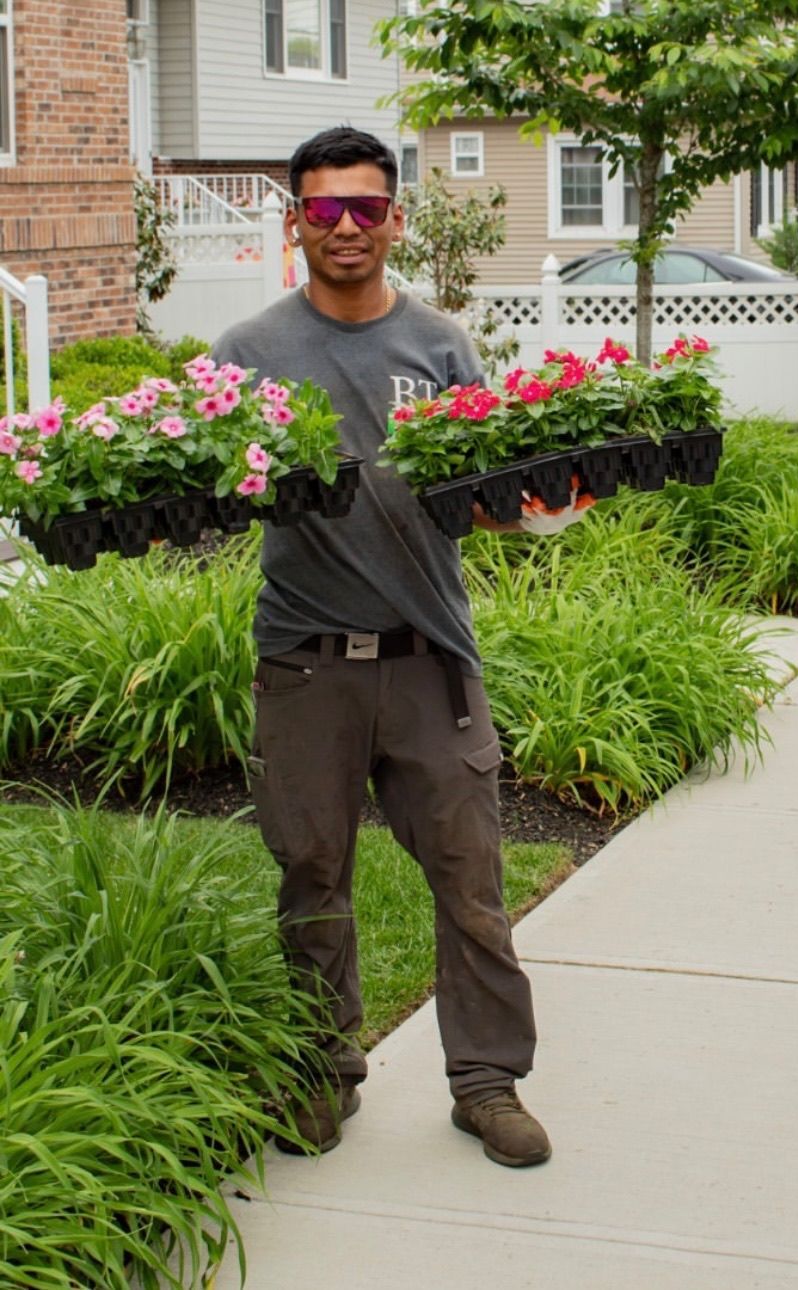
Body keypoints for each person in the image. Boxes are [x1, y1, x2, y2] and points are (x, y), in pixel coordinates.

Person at [214, 126, 587, 1167]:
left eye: (365, 208)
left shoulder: (441, 345)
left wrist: (549, 507)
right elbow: (207, 489)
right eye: (324, 209)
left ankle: (486, 1082)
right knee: (311, 876)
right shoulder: (248, 353)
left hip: (430, 658)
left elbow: (489, 502)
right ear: (297, 221)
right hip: (305, 663)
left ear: (395, 219)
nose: (346, 227)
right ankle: (320, 1073)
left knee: (471, 879)